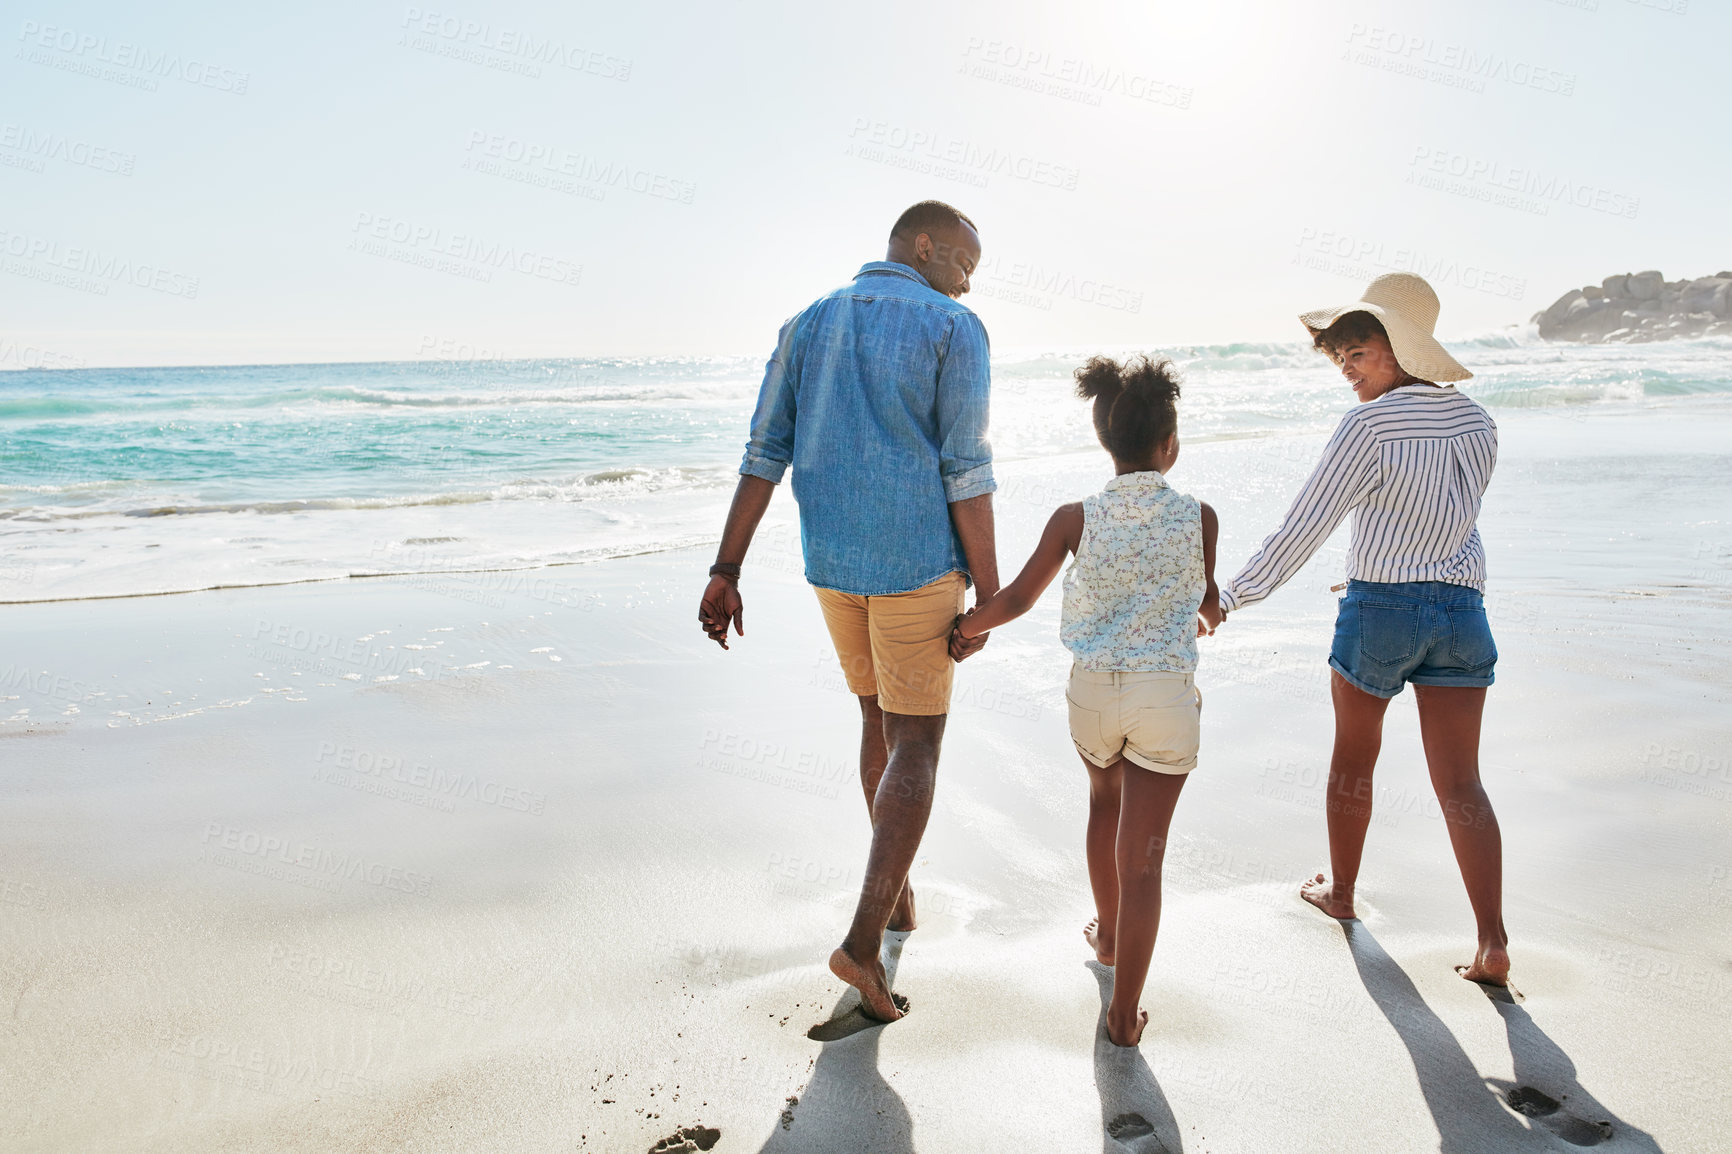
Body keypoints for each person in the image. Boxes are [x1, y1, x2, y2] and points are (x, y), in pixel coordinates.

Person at [697, 200, 999, 1022]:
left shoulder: (807, 321)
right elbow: (966, 468)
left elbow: (765, 452)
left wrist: (727, 568)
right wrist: (993, 590)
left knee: (877, 718)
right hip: (916, 565)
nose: (969, 283)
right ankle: (863, 944)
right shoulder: (952, 328)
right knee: (917, 742)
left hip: (833, 567)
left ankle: (895, 895)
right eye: (964, 264)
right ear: (924, 245)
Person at [1217, 272, 1510, 985]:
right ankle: (1493, 944)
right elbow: (1451, 516)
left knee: (1353, 761)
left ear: (1402, 348)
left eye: (1359, 352)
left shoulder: (1368, 425)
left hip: (1380, 610)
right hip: (1462, 612)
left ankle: (1342, 893)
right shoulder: (1479, 422)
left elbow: (1306, 524)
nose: (1347, 369)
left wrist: (1231, 598)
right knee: (1462, 782)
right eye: (1340, 356)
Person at [952, 355, 1222, 1046]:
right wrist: (1200, 614)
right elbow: (1207, 603)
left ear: (1106, 442)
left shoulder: (1074, 517)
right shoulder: (1201, 518)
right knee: (1147, 859)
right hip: (1163, 697)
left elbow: (1014, 598)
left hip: (1094, 695)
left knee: (1104, 805)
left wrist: (964, 629)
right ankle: (1125, 1015)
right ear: (1170, 446)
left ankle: (1105, 939)